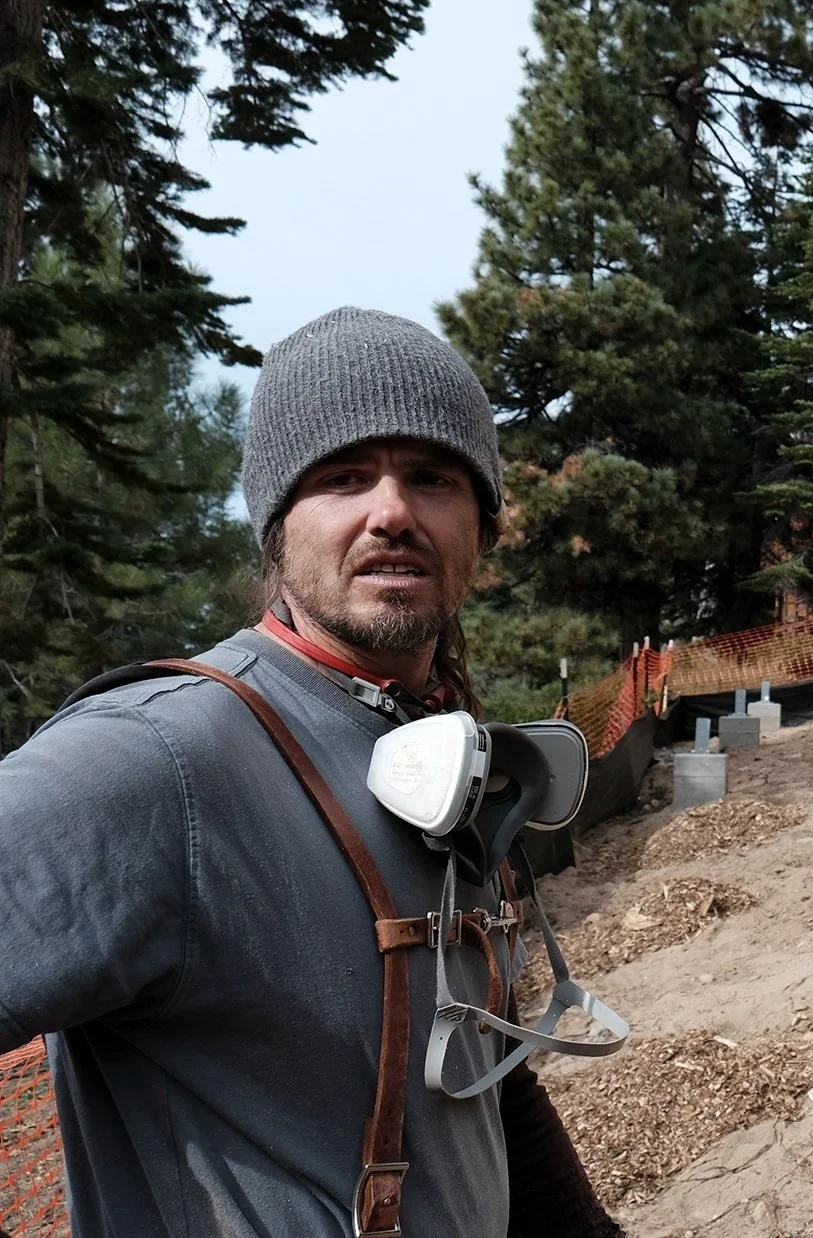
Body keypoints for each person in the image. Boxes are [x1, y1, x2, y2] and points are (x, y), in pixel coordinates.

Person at [0, 307, 625, 1238]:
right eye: (341, 477)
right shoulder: (159, 760)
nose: (392, 511)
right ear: (277, 526)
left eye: (432, 478)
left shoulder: (433, 750)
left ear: (481, 528)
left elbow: (475, 1080)